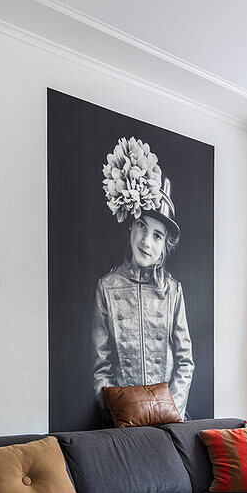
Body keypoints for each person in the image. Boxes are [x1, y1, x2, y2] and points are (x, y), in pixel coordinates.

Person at [92, 146, 194, 419]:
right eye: (141, 226)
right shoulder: (107, 287)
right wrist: (119, 416)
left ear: (165, 246)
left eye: (157, 236)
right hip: (123, 424)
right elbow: (102, 368)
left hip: (169, 422)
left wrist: (170, 412)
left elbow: (185, 363)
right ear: (130, 227)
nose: (146, 242)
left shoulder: (173, 291)